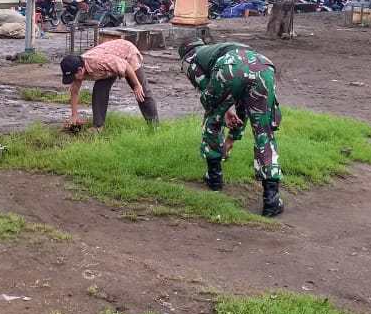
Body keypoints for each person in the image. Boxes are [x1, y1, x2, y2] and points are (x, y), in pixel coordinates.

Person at [180, 39, 283, 217]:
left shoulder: (190, 59)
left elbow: (210, 95)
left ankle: (214, 178)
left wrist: (222, 111)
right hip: (263, 65)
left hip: (230, 67)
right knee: (264, 132)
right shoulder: (218, 49)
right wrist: (231, 138)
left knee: (213, 118)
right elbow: (242, 104)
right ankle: (271, 199)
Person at [59, 39, 158, 130]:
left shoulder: (98, 62)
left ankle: (154, 127)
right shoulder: (77, 67)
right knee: (99, 90)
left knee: (142, 92)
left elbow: (126, 66)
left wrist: (136, 85)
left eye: (73, 77)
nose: (73, 80)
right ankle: (98, 127)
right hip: (109, 64)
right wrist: (74, 115)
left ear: (80, 70)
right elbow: (74, 91)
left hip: (126, 54)